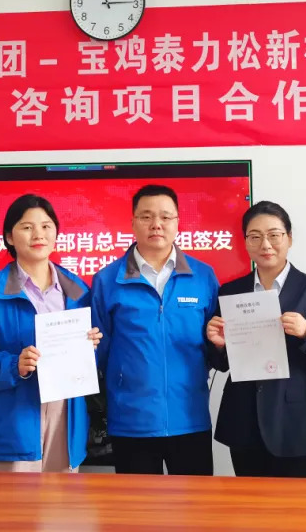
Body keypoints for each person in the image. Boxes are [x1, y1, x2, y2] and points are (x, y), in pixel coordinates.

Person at [0, 194, 102, 472]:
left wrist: (91, 346)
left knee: (63, 499)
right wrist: (15, 365)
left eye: (46, 226)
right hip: (13, 421)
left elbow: (92, 359)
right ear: (9, 237)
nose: (38, 234)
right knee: (13, 500)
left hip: (65, 418)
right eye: (27, 227)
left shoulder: (77, 289)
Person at [91, 184, 219, 475]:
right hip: (131, 421)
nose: (156, 224)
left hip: (190, 417)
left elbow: (215, 346)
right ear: (132, 222)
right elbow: (100, 352)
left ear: (178, 222)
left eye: (165, 216)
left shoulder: (203, 276)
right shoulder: (107, 280)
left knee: (196, 502)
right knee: (137, 504)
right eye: (146, 216)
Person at [205, 201, 306, 477]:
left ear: (289, 238)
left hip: (300, 424)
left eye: (274, 235)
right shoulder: (230, 292)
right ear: (245, 242)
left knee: (303, 504)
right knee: (251, 504)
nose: (265, 244)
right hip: (244, 421)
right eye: (255, 236)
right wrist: (218, 344)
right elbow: (222, 364)